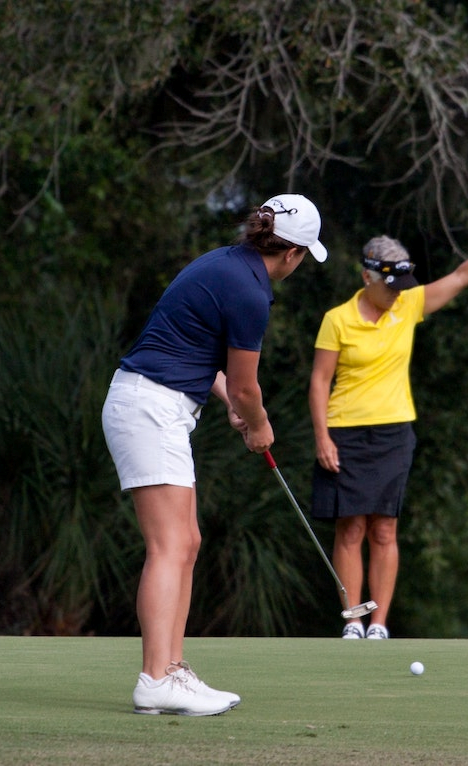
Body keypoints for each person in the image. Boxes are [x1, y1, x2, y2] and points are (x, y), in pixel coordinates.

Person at [102, 193, 328, 715]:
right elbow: (249, 387)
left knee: (187, 540)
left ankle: (171, 672)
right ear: (292, 254)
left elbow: (199, 353)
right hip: (150, 407)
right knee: (170, 544)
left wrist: (227, 401)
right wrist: (258, 425)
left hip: (157, 404)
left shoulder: (224, 263)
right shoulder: (251, 291)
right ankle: (156, 677)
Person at [308, 215, 468, 639]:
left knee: (384, 527)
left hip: (394, 433)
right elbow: (319, 381)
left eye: (400, 287)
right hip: (345, 432)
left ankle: (379, 624)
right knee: (350, 527)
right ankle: (353, 619)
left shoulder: (407, 307)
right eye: (388, 286)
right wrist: (322, 437)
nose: (395, 295)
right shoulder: (337, 319)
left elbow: (462, 276)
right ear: (367, 276)